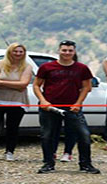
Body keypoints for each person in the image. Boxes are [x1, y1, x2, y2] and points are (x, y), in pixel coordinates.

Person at [33, 40, 100, 174]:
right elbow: (36, 85)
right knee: (47, 135)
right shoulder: (47, 67)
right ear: (59, 51)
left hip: (72, 107)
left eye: (70, 50)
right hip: (50, 107)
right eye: (64, 50)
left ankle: (86, 164)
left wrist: (78, 103)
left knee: (84, 135)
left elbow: (87, 87)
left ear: (74, 52)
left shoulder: (82, 68)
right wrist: (43, 101)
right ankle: (48, 163)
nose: (67, 53)